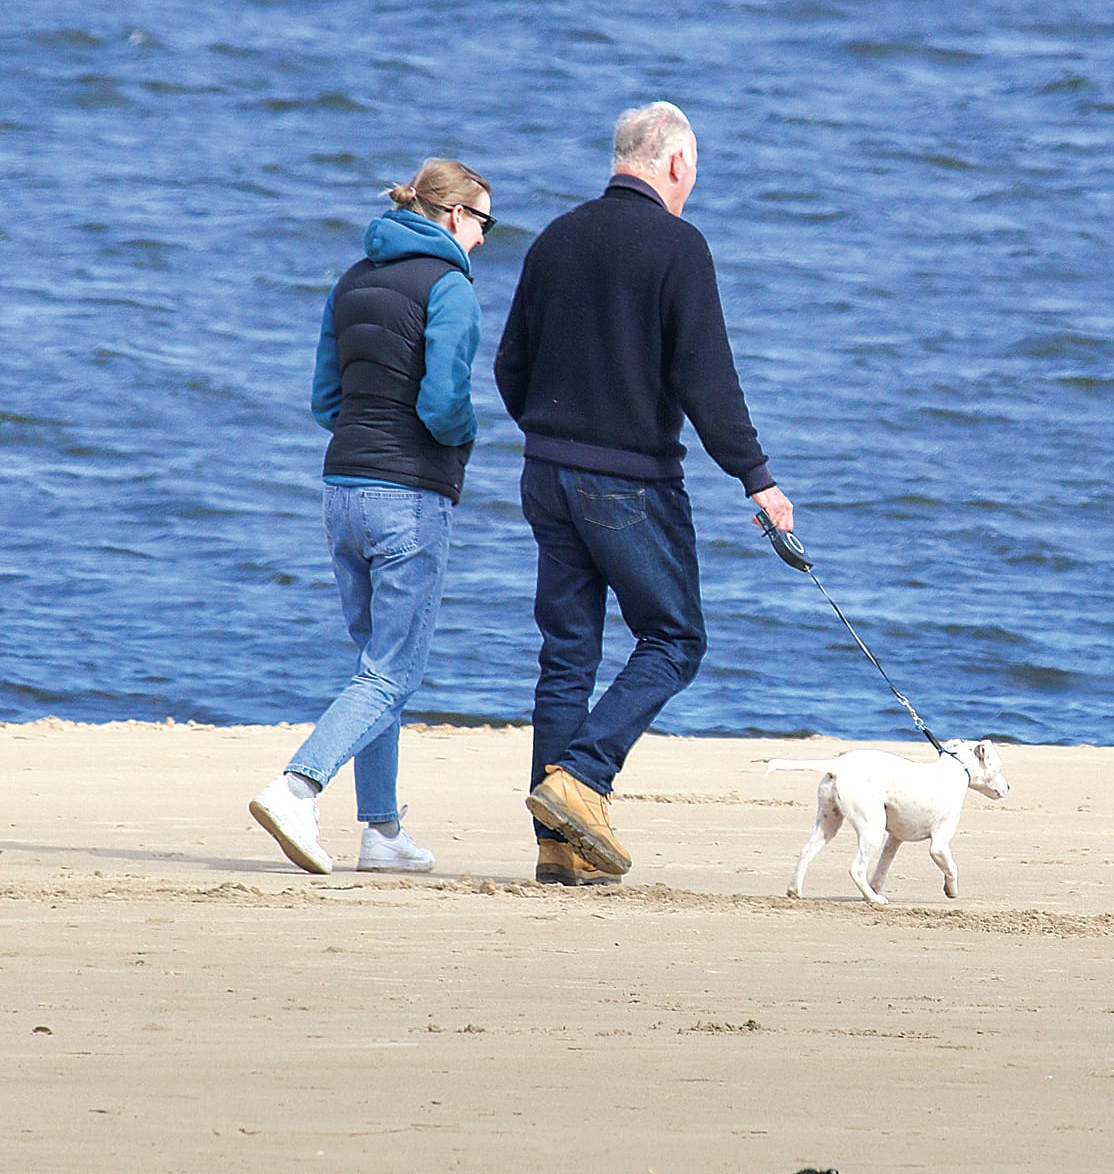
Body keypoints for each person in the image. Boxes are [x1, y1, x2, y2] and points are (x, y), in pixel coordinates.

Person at [495, 101, 794, 887]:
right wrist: (757, 478)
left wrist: (549, 434)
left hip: (546, 473)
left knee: (568, 654)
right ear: (675, 164)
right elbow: (708, 380)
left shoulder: (557, 236)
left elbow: (509, 365)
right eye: (695, 168)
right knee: (675, 639)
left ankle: (557, 846)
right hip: (628, 481)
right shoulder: (678, 246)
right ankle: (583, 780)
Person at [250, 158, 494, 874]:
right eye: (484, 221)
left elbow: (325, 402)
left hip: (343, 490)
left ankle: (382, 831)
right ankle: (297, 785)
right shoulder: (451, 287)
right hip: (408, 494)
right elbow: (444, 405)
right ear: (454, 217)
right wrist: (466, 436)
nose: (484, 237)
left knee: (373, 666)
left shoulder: (351, 280)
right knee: (391, 671)